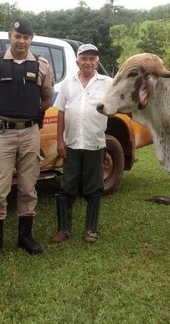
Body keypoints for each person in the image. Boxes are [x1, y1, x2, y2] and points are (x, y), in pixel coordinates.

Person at [0, 18, 54, 259]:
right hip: (4, 133)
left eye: (26, 37)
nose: (21, 41)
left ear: (32, 39)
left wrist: (28, 113)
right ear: (10, 36)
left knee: (28, 186)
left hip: (30, 133)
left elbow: (46, 100)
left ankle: (25, 236)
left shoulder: (42, 66)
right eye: (17, 36)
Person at [52, 43, 113, 243]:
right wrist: (60, 140)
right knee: (66, 186)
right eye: (84, 58)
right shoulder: (68, 83)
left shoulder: (107, 83)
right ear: (77, 61)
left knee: (94, 188)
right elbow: (61, 111)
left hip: (95, 143)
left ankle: (91, 230)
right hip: (72, 143)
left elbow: (122, 98)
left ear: (97, 62)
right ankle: (63, 229)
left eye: (92, 58)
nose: (88, 62)